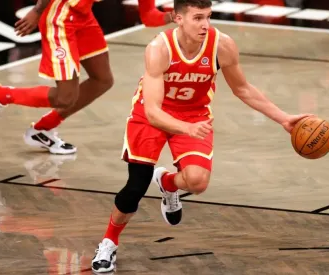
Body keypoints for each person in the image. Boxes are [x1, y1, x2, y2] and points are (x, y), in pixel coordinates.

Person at [90, 0, 311, 272]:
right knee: (136, 186)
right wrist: (185, 129)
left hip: (194, 115)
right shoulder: (159, 49)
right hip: (153, 114)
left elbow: (243, 89)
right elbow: (152, 112)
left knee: (197, 182)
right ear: (177, 18)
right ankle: (109, 243)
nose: (205, 24)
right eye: (197, 18)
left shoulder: (222, 45)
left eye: (208, 17)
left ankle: (169, 183)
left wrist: (284, 118)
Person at [0, 0, 175, 154]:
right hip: (59, 17)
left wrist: (174, 16)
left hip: (83, 17)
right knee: (65, 97)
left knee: (102, 80)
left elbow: (149, 16)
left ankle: (42, 129)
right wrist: (37, 10)